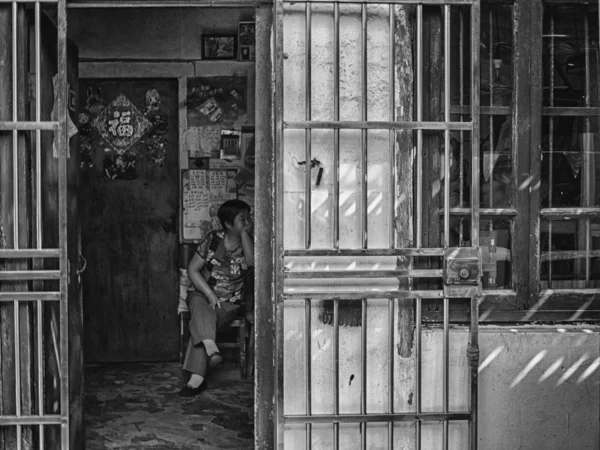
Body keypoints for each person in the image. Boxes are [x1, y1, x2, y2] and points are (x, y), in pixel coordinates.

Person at [179, 199, 254, 397]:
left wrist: (245, 233)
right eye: (242, 219)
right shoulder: (213, 240)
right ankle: (210, 347)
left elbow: (252, 262)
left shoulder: (252, 242)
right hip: (203, 294)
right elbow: (193, 270)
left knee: (202, 324)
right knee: (198, 303)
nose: (248, 221)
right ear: (228, 224)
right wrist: (210, 294)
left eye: (249, 217)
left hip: (230, 302)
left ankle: (198, 376)